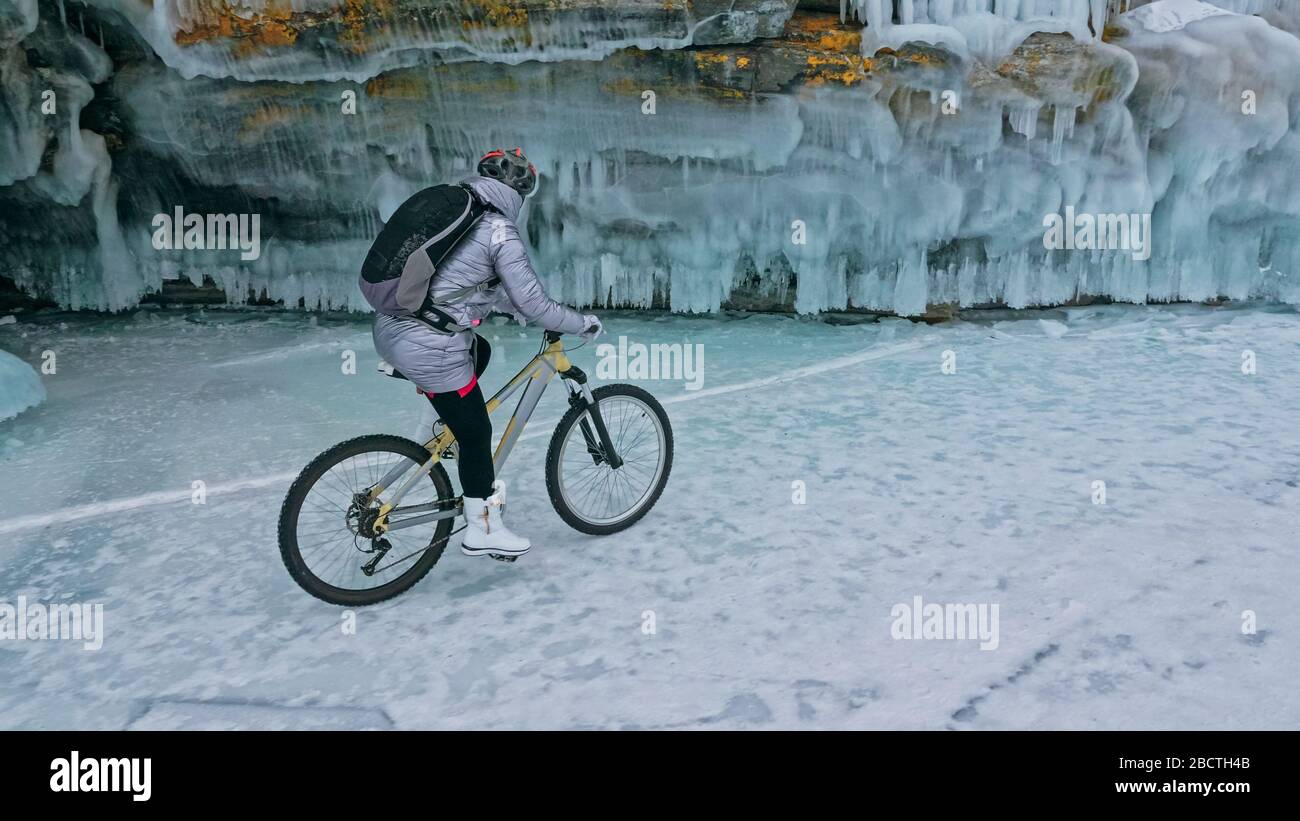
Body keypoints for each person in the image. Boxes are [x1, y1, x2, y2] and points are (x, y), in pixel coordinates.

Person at [372, 148, 601, 558]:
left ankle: (437, 428)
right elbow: (532, 302)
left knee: (480, 349)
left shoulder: (463, 214)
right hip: (429, 346)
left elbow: (474, 288)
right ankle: (481, 528)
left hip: (393, 328)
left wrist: (518, 310)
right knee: (477, 431)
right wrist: (579, 323)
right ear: (519, 192)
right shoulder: (499, 230)